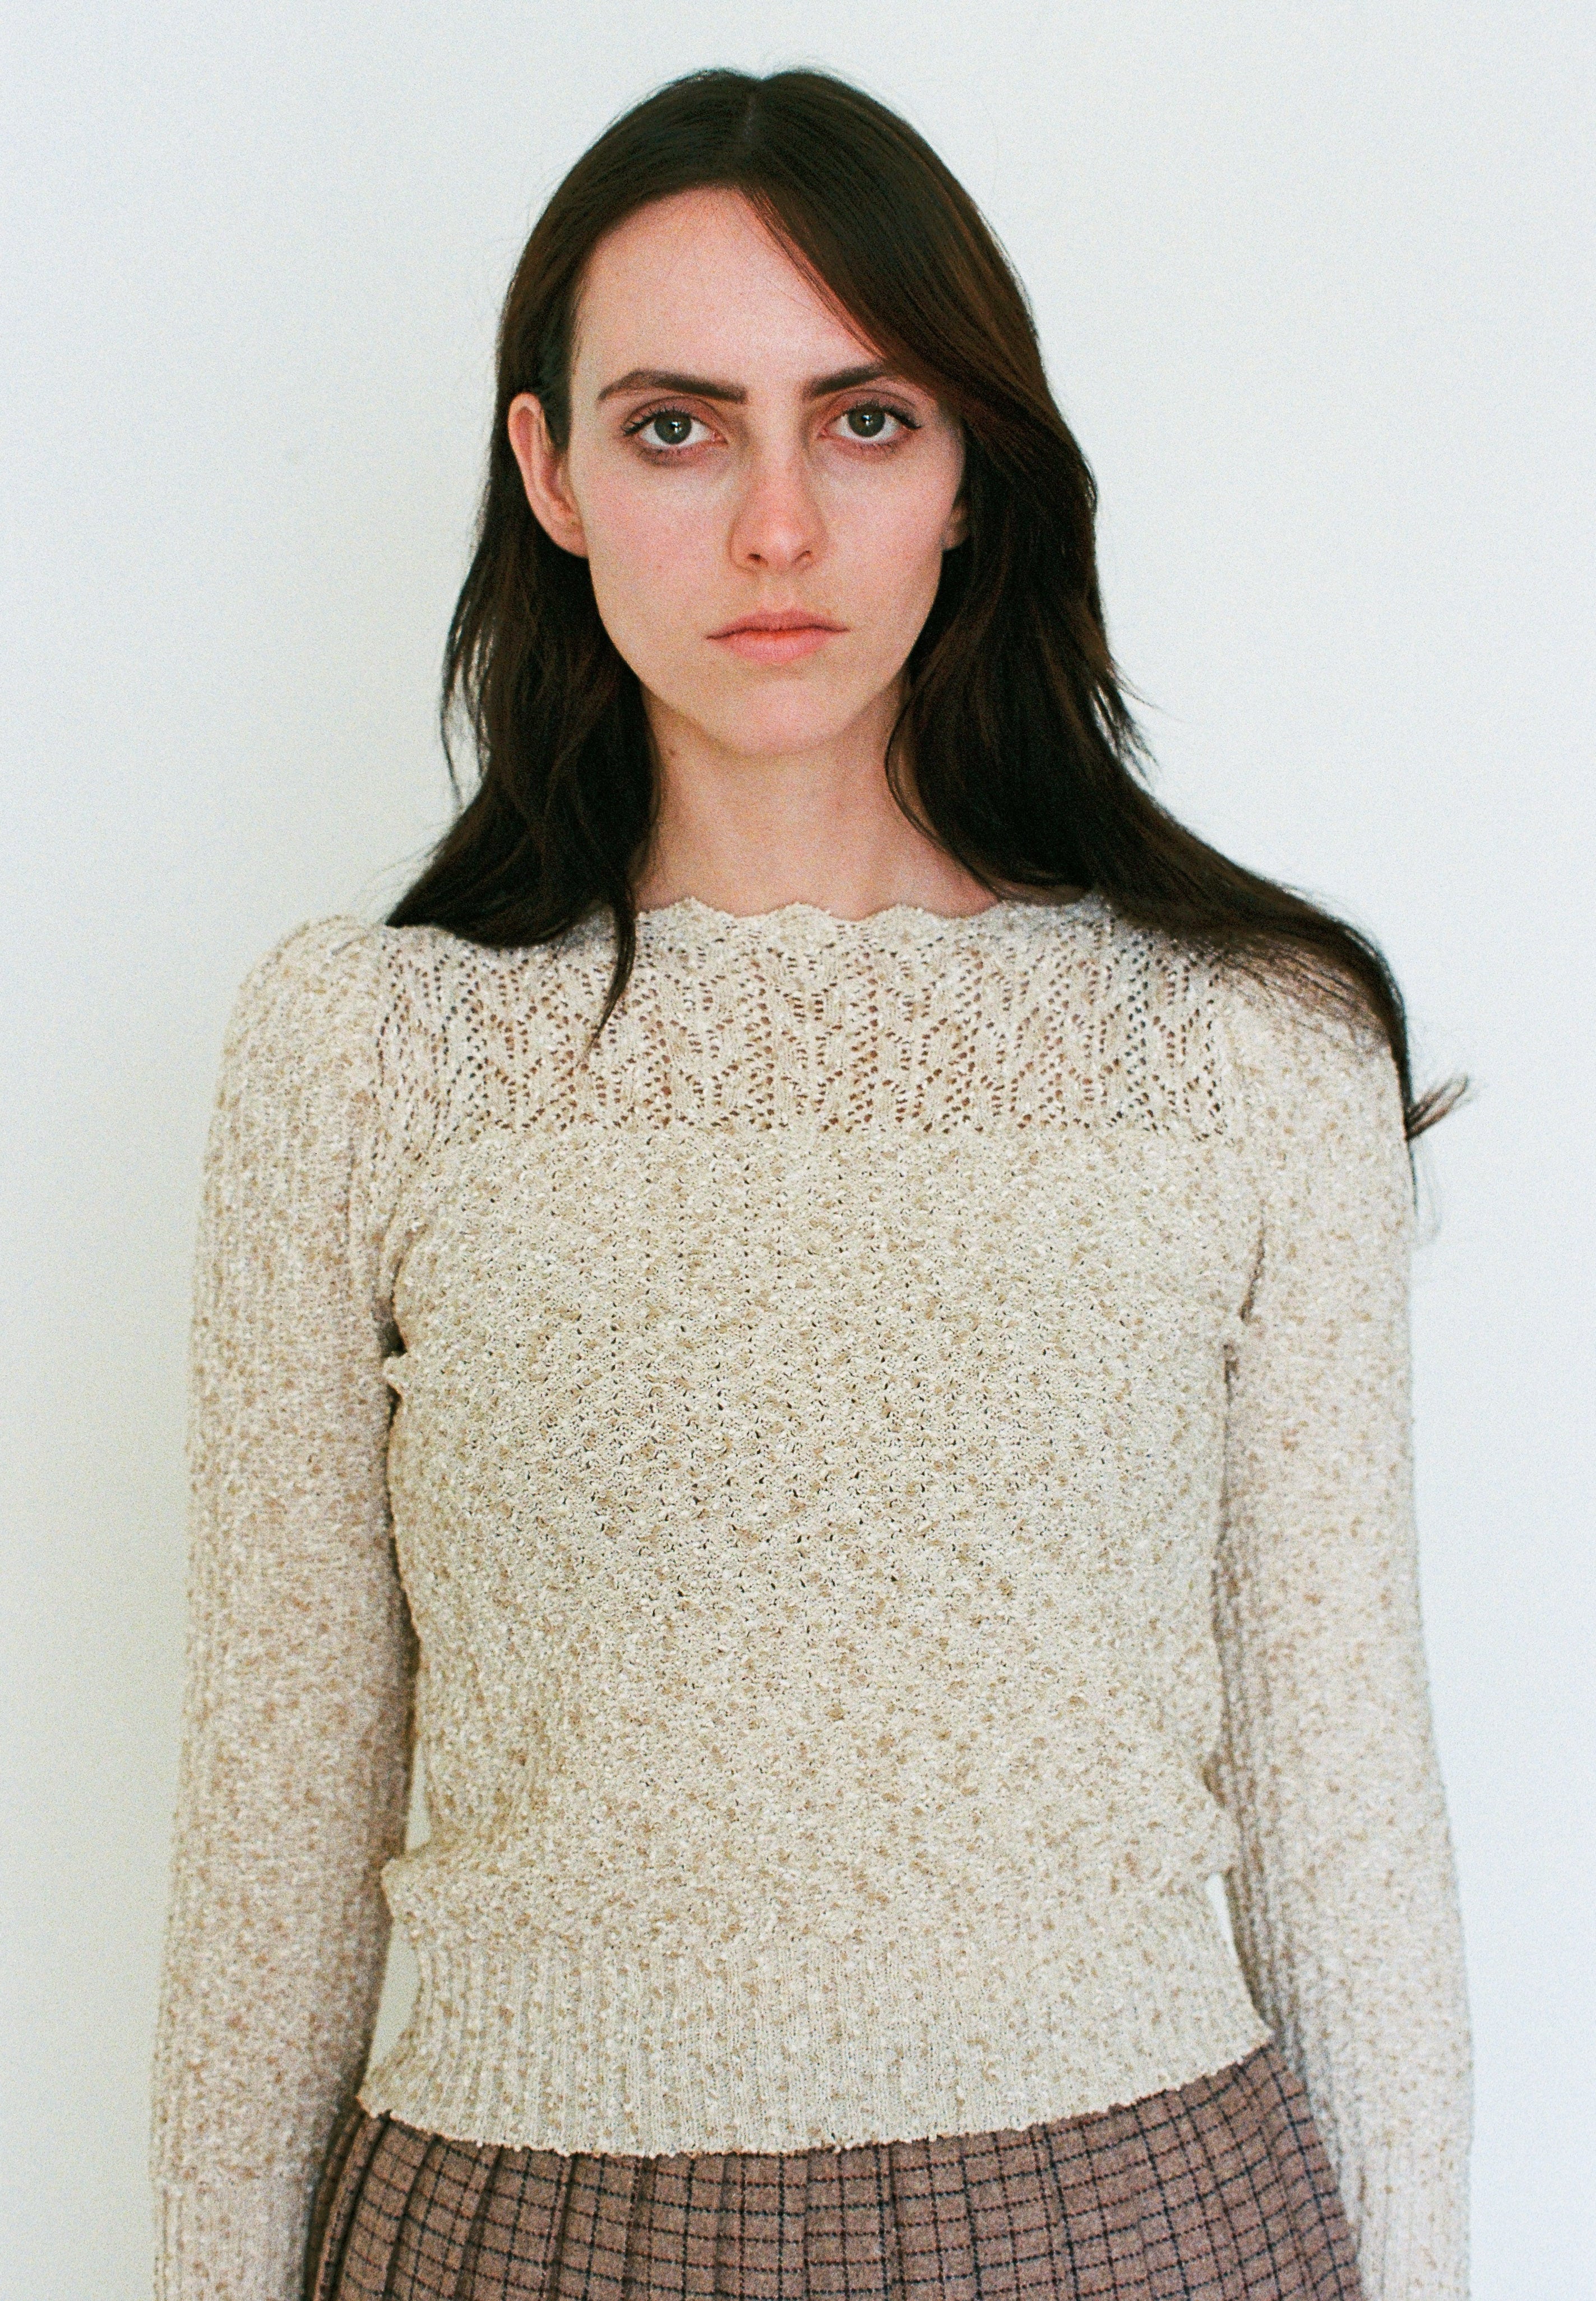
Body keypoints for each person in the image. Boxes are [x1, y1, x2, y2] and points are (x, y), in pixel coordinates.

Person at [148, 65, 1473, 2301]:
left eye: (865, 421)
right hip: (521, 2230)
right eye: (678, 427)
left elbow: (1350, 1817)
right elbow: (272, 1821)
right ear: (548, 474)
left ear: (968, 476)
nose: (777, 524)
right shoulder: (364, 1055)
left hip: (1142, 2228)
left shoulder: (1246, 1048)